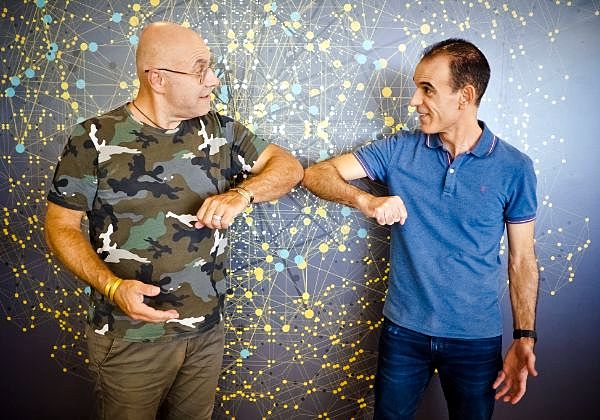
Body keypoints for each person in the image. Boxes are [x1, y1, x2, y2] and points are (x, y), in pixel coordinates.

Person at [44, 21, 303, 420]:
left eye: (210, 68)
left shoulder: (220, 130)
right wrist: (112, 287)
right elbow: (60, 226)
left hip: (206, 334)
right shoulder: (94, 138)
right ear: (158, 79)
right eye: (200, 70)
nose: (213, 80)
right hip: (129, 338)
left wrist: (242, 194)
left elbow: (288, 167)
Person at [302, 38, 539, 419]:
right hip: (404, 333)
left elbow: (522, 259)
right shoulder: (399, 150)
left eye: (427, 89)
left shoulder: (515, 167)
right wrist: (366, 200)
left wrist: (524, 337)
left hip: (475, 340)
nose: (414, 100)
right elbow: (316, 174)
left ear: (465, 96)